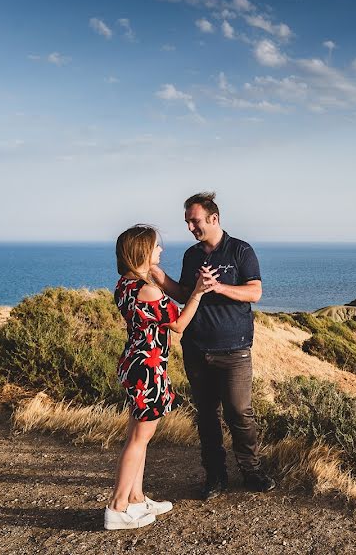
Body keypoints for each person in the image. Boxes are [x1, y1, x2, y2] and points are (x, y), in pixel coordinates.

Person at [150, 192, 275, 499]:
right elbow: (182, 294)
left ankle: (251, 472)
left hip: (234, 349)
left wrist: (217, 287)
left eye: (195, 221)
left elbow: (255, 292)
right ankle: (215, 477)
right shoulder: (192, 256)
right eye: (188, 222)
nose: (191, 227)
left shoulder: (240, 251)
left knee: (239, 412)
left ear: (213, 218)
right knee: (206, 415)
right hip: (196, 347)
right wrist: (157, 275)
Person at [107, 225, 215, 530]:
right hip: (148, 369)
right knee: (139, 440)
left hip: (135, 363)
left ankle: (137, 499)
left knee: (136, 436)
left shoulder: (124, 285)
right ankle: (117, 506)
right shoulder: (148, 290)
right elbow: (178, 325)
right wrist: (197, 293)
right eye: (156, 246)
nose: (161, 250)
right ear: (142, 252)